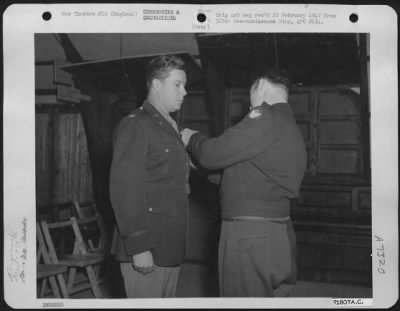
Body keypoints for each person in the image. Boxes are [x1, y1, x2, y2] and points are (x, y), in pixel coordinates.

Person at [181, 68, 307, 297]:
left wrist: (192, 139)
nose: (250, 108)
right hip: (277, 232)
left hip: (250, 233)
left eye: (251, 101)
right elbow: (249, 172)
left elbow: (212, 153)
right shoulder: (289, 126)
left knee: (241, 298)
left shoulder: (264, 116)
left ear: (260, 88)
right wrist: (197, 167)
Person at [109, 55, 191, 298]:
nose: (184, 92)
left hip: (168, 245)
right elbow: (125, 188)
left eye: (184, 85)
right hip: (148, 247)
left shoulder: (168, 126)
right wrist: (139, 246)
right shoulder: (136, 124)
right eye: (177, 84)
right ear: (156, 85)